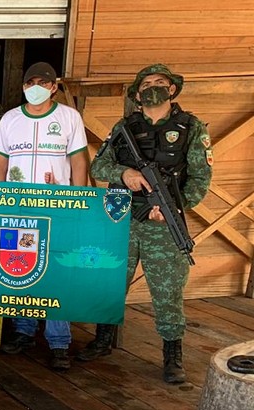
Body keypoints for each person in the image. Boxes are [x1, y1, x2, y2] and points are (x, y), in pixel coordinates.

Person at [80, 64, 212, 384]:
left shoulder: (191, 127)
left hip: (164, 224)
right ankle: (102, 340)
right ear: (138, 94)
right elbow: (100, 165)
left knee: (167, 291)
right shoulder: (126, 126)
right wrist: (126, 174)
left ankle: (172, 354)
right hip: (122, 217)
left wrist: (173, 210)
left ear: (171, 89)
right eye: (147, 83)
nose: (153, 86)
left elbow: (200, 179)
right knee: (112, 280)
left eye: (160, 82)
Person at [0, 62, 90, 371]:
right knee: (21, 265)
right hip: (17, 207)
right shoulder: (10, 119)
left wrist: (77, 200)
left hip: (56, 205)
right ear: (23, 86)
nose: (36, 87)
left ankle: (59, 341)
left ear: (53, 87)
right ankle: (24, 331)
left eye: (42, 83)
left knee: (54, 270)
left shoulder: (69, 118)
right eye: (30, 82)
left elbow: (78, 162)